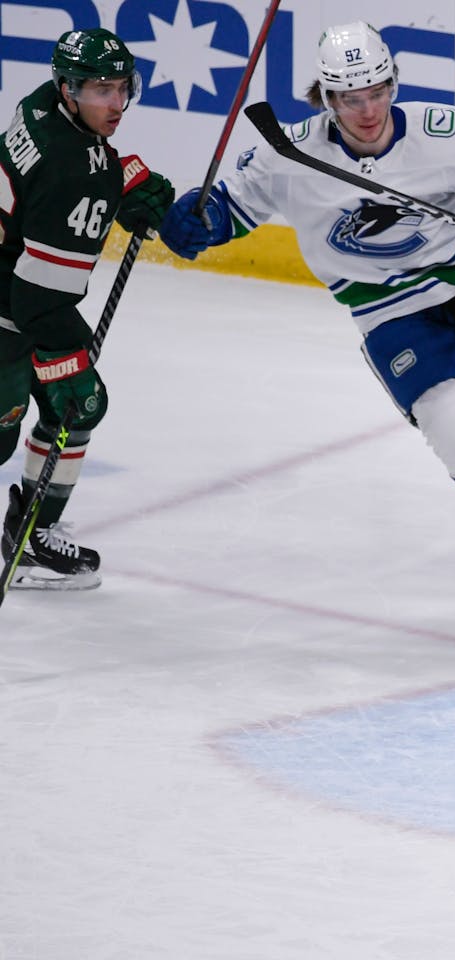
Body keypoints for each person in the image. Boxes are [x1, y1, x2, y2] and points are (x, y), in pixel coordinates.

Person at [157, 22, 455, 610]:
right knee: (453, 424)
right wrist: (195, 222)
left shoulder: (446, 131)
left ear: (393, 82)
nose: (368, 110)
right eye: (351, 99)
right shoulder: (287, 154)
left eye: (379, 92)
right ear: (327, 99)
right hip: (389, 307)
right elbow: (227, 209)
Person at [0, 28, 175, 589]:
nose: (117, 104)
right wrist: (66, 366)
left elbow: (81, 164)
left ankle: (29, 536)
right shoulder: (76, 175)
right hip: (14, 308)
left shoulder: (43, 104)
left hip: (12, 291)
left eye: (123, 88)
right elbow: (39, 300)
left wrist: (126, 178)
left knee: (72, 410)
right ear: (69, 88)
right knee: (60, 407)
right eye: (102, 90)